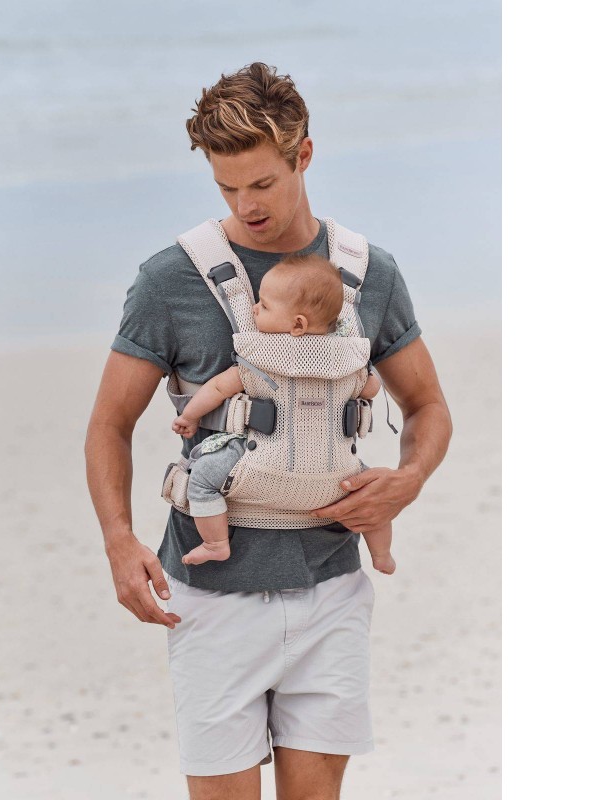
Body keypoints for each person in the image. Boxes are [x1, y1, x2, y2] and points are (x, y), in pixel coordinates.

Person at [85, 62, 452, 800]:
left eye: (261, 184)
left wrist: (408, 481)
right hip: (212, 596)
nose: (246, 206)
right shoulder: (169, 280)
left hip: (332, 588)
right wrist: (119, 542)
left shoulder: (368, 275)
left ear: (303, 155)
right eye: (227, 188)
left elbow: (428, 407)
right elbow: (108, 424)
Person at [172, 253, 395, 575]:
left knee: (202, 479)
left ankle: (215, 543)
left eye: (263, 305)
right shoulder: (350, 362)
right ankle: (382, 554)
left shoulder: (259, 357)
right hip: (338, 477)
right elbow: (372, 389)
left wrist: (190, 417)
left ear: (298, 324)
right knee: (373, 498)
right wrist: (361, 376)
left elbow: (217, 389)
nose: (254, 309)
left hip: (259, 465)